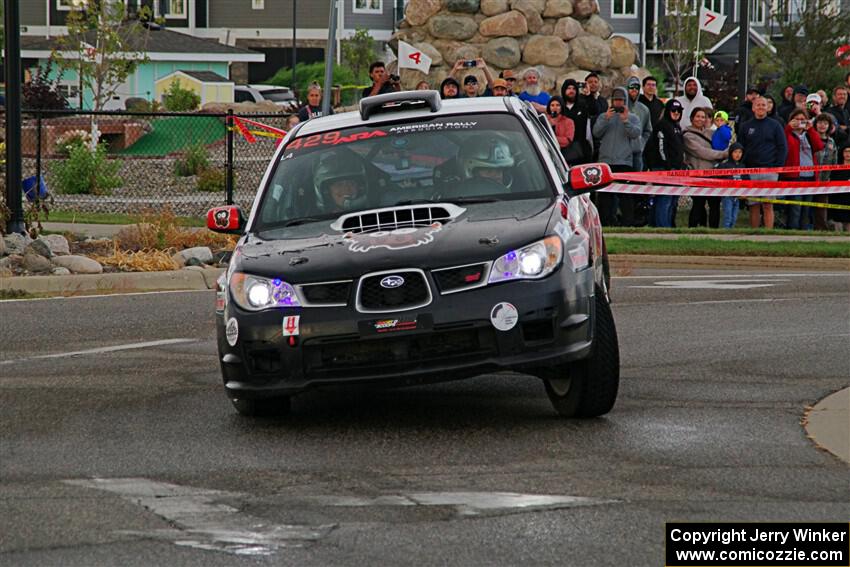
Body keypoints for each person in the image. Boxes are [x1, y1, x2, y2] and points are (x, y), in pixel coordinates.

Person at [592, 87, 641, 226]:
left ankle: (628, 223)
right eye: (615, 100)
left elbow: (636, 133)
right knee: (605, 196)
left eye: (620, 100)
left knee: (625, 195)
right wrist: (606, 119)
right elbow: (596, 133)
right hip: (605, 162)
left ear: (625, 101)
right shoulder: (604, 116)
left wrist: (625, 121)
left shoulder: (633, 117)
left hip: (624, 161)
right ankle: (605, 223)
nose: (618, 103)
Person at [739, 96, 788, 229]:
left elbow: (783, 147)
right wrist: (742, 169)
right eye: (758, 105)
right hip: (751, 170)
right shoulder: (745, 126)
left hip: (770, 171)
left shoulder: (775, 125)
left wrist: (778, 167)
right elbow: (740, 149)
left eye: (763, 105)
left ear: (768, 107)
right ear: (753, 107)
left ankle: (768, 233)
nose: (761, 107)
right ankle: (755, 234)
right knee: (753, 205)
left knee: (767, 204)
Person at [683, 107, 728, 228]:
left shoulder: (711, 133)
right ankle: (693, 229)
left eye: (703, 117)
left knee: (714, 205)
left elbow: (724, 139)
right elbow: (702, 152)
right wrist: (723, 154)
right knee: (698, 204)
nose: (700, 119)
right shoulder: (687, 136)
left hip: (714, 173)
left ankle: (714, 230)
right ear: (692, 118)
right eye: (698, 116)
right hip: (698, 175)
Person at [644, 99, 686, 227]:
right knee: (664, 198)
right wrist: (667, 167)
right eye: (673, 110)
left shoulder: (677, 127)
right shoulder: (662, 125)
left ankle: (663, 224)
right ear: (668, 111)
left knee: (672, 199)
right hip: (664, 168)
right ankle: (663, 227)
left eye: (679, 110)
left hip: (675, 168)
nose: (676, 113)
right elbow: (661, 147)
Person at [781, 109, 824, 230]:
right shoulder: (788, 133)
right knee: (795, 208)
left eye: (802, 120)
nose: (800, 122)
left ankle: (804, 232)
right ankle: (792, 232)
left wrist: (810, 129)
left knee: (806, 208)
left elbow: (819, 146)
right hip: (794, 176)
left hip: (810, 176)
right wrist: (788, 128)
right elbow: (782, 143)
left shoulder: (809, 134)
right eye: (797, 119)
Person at [813, 112, 839, 230]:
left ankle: (821, 229)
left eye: (825, 123)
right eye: (820, 122)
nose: (822, 125)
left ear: (829, 126)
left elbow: (834, 161)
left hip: (825, 180)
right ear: (815, 124)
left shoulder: (831, 142)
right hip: (810, 178)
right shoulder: (810, 138)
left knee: (822, 206)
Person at [714, 142, 748, 229]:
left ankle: (731, 233)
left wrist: (745, 193)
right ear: (731, 153)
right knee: (728, 217)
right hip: (727, 196)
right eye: (735, 152)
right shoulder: (725, 165)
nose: (738, 154)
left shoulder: (743, 167)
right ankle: (725, 234)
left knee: (734, 218)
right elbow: (717, 178)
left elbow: (746, 180)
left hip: (738, 197)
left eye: (740, 152)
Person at [560, 78, 593, 165]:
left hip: (581, 151)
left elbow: (594, 110)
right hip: (563, 150)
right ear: (564, 90)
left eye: (574, 88)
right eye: (569, 88)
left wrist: (588, 94)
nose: (571, 91)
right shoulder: (559, 106)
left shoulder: (582, 105)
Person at [626, 76, 652, 173]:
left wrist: (641, 143)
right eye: (631, 87)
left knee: (636, 183)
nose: (634, 90)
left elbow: (648, 130)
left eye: (637, 87)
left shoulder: (644, 109)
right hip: (620, 154)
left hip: (637, 153)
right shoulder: (620, 106)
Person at [828, 143, 850, 231]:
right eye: (846, 151)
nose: (848, 154)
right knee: (838, 227)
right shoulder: (836, 168)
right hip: (837, 201)